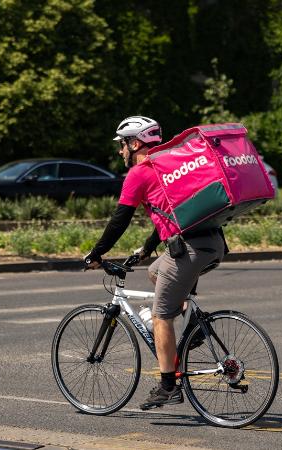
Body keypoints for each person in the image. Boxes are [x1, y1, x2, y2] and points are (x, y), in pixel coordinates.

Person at [84, 116, 226, 410]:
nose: (121, 151)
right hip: (212, 242)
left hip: (189, 249)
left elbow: (119, 219)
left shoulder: (139, 173)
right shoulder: (168, 165)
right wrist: (148, 248)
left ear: (135, 143)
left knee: (161, 316)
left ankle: (168, 386)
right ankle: (191, 324)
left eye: (123, 145)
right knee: (154, 272)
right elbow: (171, 213)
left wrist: (97, 253)